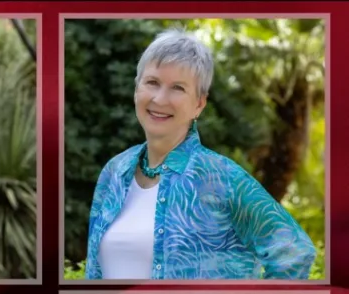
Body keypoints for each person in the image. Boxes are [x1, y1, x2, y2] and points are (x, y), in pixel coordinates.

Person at [84, 28, 315, 280]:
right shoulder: (114, 171)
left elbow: (296, 253)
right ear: (136, 89)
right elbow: (93, 273)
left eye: (178, 88)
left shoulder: (221, 178)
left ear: (199, 104)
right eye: (152, 82)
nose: (160, 99)